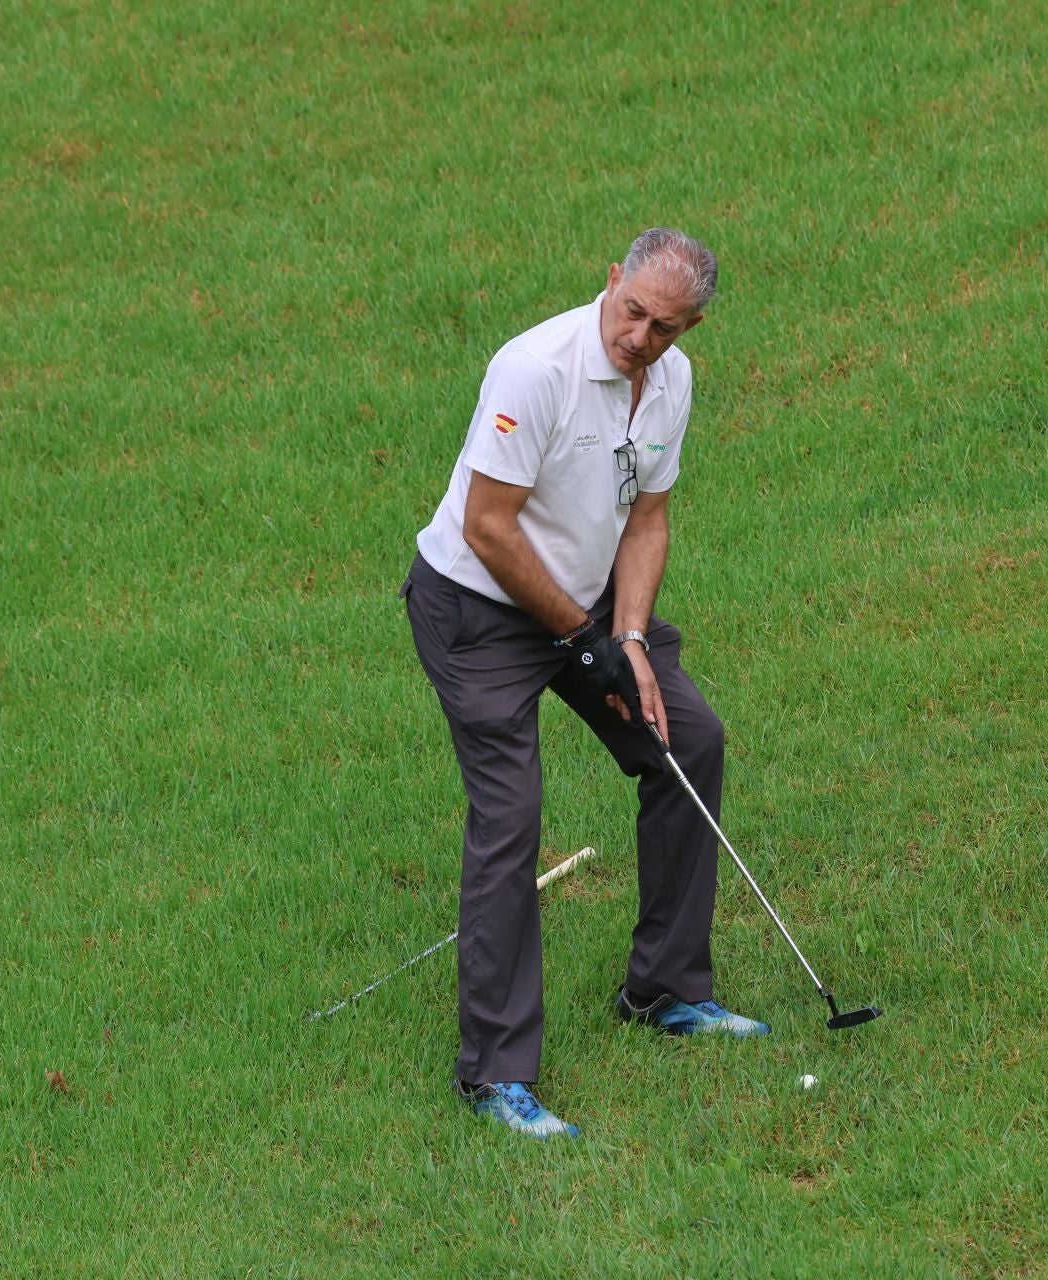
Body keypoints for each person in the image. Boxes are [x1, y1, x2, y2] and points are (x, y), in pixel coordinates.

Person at [403, 227, 768, 1141]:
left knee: (689, 740)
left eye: (667, 327)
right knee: (510, 817)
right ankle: (492, 1076)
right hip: (477, 610)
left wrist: (631, 637)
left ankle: (666, 991)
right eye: (634, 310)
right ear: (612, 280)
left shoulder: (671, 386)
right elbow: (488, 527)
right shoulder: (535, 369)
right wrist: (581, 637)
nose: (641, 337)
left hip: (587, 598)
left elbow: (647, 520)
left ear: (691, 330)